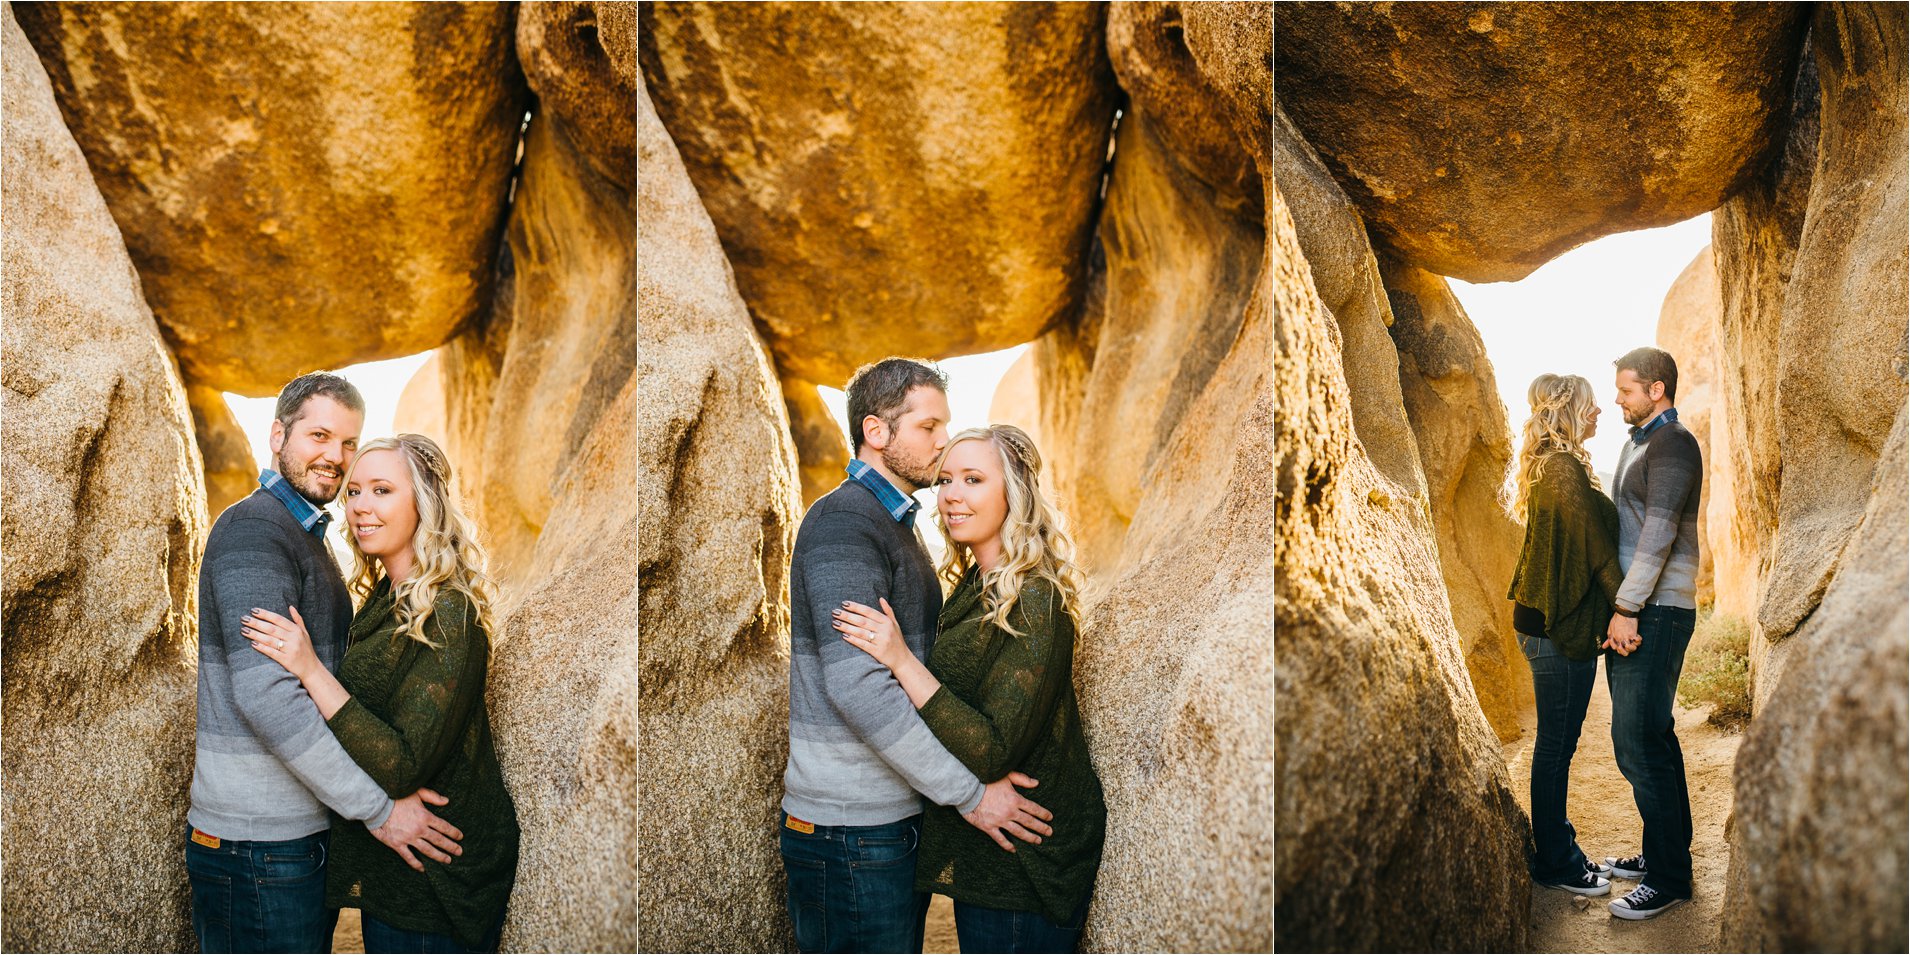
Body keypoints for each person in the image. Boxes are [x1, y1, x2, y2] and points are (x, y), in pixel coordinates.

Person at [781, 358, 1055, 953]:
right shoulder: (844, 525)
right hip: (851, 830)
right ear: (877, 433)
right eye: (929, 428)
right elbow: (857, 686)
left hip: (888, 823)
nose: (943, 441)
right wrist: (972, 795)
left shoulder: (895, 525)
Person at [186, 373, 466, 953]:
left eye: (347, 443)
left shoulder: (305, 536)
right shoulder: (255, 534)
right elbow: (266, 694)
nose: (334, 458)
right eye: (319, 435)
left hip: (293, 839)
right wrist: (378, 811)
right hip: (258, 846)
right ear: (277, 435)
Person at [835, 424, 1106, 953]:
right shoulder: (975, 585)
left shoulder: (1035, 601)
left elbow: (991, 749)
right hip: (990, 856)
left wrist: (898, 658)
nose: (953, 495)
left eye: (974, 479)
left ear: (1015, 493)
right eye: (947, 481)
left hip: (1026, 864)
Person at [243, 433, 520, 952]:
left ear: (425, 503)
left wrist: (308, 668)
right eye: (354, 492)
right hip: (397, 872)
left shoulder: (448, 613)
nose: (361, 508)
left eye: (383, 491)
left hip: (437, 880)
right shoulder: (385, 600)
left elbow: (401, 764)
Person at [1503, 374, 1624, 899]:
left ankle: (1561, 849)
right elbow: (1596, 551)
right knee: (1555, 746)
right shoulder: (1562, 468)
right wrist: (1627, 609)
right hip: (1554, 627)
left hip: (1544, 623)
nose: (1600, 410)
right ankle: (1556, 862)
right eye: (1591, 403)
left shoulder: (1556, 465)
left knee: (1558, 744)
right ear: (1571, 408)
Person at [1599, 347, 1703, 920]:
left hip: (1655, 611)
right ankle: (1662, 854)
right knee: (1653, 738)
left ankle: (1668, 878)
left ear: (1656, 389)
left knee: (1637, 742)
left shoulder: (1673, 444)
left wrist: (1626, 606)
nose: (1617, 397)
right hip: (1646, 607)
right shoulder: (1641, 442)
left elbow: (1659, 533)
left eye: (1626, 389)